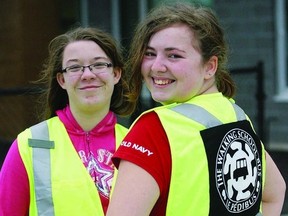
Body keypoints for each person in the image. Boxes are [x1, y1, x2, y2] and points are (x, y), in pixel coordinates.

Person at [106, 2, 286, 216]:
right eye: (150, 53)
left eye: (174, 55)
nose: (156, 66)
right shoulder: (236, 117)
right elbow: (275, 192)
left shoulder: (154, 129)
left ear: (210, 67)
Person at [0, 27, 136, 216]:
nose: (88, 74)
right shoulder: (29, 145)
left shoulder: (137, 143)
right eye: (74, 67)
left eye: (99, 65)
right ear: (62, 79)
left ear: (116, 74)